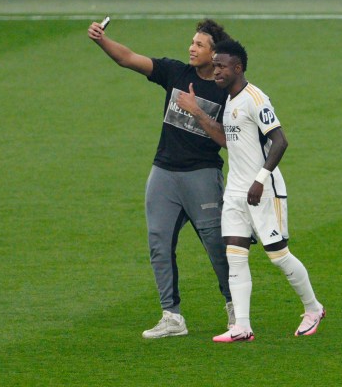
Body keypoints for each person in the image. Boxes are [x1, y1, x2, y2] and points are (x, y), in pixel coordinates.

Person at [86, 18, 235, 340]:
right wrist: (102, 40)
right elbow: (128, 58)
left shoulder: (227, 92)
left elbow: (228, 140)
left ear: (214, 54)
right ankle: (171, 316)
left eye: (199, 45)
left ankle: (236, 307)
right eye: (192, 42)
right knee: (159, 243)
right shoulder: (175, 72)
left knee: (216, 247)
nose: (191, 48)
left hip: (202, 175)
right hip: (164, 173)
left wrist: (197, 111)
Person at [175, 38, 325, 343]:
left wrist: (260, 178)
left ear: (238, 68)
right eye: (214, 65)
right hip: (235, 192)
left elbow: (280, 140)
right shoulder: (229, 100)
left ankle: (313, 308)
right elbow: (228, 141)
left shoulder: (255, 99)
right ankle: (241, 326)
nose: (215, 71)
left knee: (278, 255)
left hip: (263, 190)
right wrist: (197, 112)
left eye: (220, 66)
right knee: (235, 255)